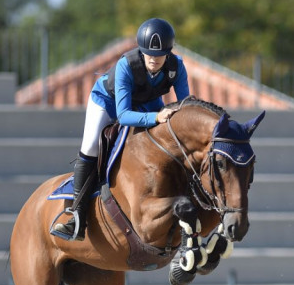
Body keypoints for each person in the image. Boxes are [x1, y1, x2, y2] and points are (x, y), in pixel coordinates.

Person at [50, 17, 191, 241]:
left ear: (169, 52)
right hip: (108, 102)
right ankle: (76, 216)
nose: (154, 60)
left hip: (147, 102)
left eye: (160, 55)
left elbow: (186, 106)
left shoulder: (177, 66)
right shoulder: (127, 65)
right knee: (90, 147)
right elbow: (124, 116)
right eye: (149, 54)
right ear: (141, 51)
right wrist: (157, 116)